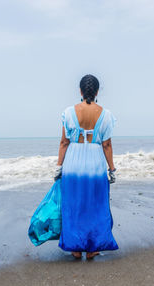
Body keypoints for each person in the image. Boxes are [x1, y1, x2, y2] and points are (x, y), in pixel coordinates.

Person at [54, 74, 119, 259]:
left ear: (81, 91)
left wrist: (59, 167)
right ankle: (92, 249)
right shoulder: (106, 115)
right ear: (97, 91)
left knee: (74, 204)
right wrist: (112, 169)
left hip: (73, 162)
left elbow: (64, 142)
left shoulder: (68, 113)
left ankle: (75, 248)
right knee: (95, 205)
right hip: (95, 163)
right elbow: (106, 145)